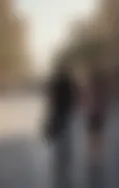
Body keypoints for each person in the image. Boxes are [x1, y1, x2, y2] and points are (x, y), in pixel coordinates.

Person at [44, 60, 82, 188]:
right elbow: (78, 94)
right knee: (67, 137)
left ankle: (60, 160)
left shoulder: (55, 81)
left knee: (59, 138)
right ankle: (66, 159)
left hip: (57, 112)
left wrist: (50, 113)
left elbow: (51, 97)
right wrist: (74, 106)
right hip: (67, 112)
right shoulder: (70, 81)